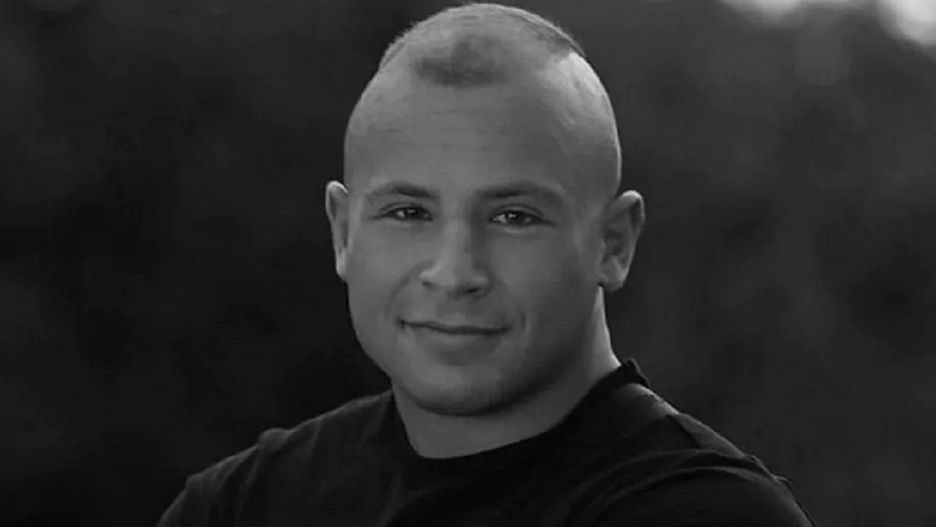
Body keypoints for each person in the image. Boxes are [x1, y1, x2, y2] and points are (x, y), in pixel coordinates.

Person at [158, 3, 815, 526]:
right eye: (409, 212)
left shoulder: (703, 512)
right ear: (343, 231)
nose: (454, 272)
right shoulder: (243, 504)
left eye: (513, 217)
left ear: (613, 244)